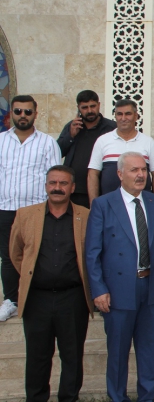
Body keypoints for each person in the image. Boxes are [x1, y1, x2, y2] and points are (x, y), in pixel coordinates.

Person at [85, 152, 154, 402]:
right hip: (118, 289)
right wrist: (98, 289)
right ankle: (117, 397)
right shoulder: (103, 205)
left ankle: (147, 396)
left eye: (143, 170)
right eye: (134, 170)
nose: (140, 175)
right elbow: (92, 253)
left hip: (152, 286)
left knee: (148, 349)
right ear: (119, 174)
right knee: (118, 350)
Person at [9, 165, 92, 401]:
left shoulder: (86, 216)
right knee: (37, 357)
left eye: (63, 183)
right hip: (37, 299)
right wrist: (32, 274)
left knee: (72, 356)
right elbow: (16, 253)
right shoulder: (25, 215)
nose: (57, 188)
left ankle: (69, 398)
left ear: (72, 188)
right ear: (46, 186)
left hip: (73, 298)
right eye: (53, 183)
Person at [0, 95, 61, 322]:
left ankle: (36, 297)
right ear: (12, 114)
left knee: (36, 255)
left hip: (35, 211)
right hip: (5, 208)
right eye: (18, 111)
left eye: (27, 112)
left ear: (35, 114)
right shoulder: (1, 141)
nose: (23, 116)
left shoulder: (47, 143)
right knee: (8, 257)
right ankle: (11, 300)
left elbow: (55, 178)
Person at [87, 99, 154, 204]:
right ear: (115, 116)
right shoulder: (102, 141)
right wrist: (93, 204)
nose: (123, 118)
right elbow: (93, 174)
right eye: (119, 114)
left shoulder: (148, 142)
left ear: (136, 116)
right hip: (108, 205)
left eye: (128, 114)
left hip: (141, 205)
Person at [57, 90, 117, 208]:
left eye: (92, 106)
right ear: (78, 108)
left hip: (102, 190)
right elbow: (58, 152)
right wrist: (71, 136)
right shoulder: (72, 126)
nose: (89, 111)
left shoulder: (111, 128)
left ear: (98, 105)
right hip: (75, 190)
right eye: (84, 107)